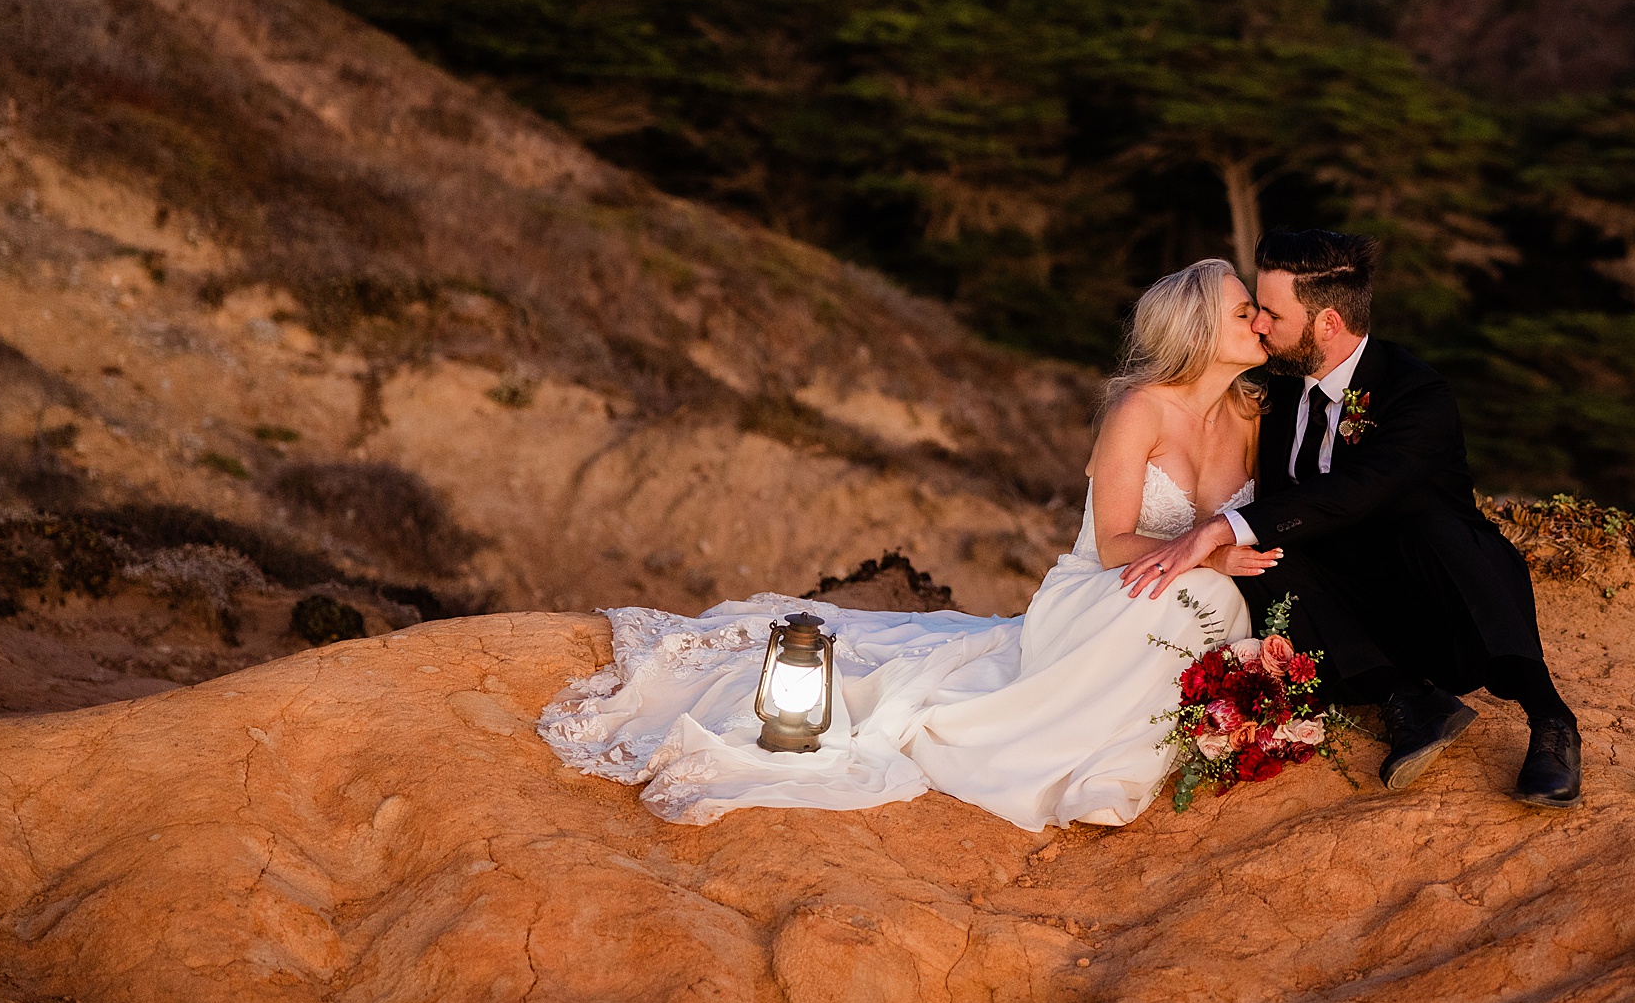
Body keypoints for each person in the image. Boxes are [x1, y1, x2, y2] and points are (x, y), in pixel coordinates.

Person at [538, 258, 1283, 831]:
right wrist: (1206, 551)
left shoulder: (1251, 417)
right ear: (1195, 331)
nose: (1261, 321)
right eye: (1245, 311)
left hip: (1173, 594)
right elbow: (1118, 539)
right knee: (1200, 591)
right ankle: (1086, 771)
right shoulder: (1139, 410)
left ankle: (1115, 760)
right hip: (1102, 588)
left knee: (1210, 599)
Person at [1115, 229, 1582, 807]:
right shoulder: (1276, 391)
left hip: (1432, 596)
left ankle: (1551, 720)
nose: (1259, 324)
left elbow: (1358, 490)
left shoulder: (1415, 392)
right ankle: (1407, 701)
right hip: (1342, 603)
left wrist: (1218, 527)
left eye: (1271, 313)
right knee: (1264, 561)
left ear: (1327, 323)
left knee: (1446, 533)